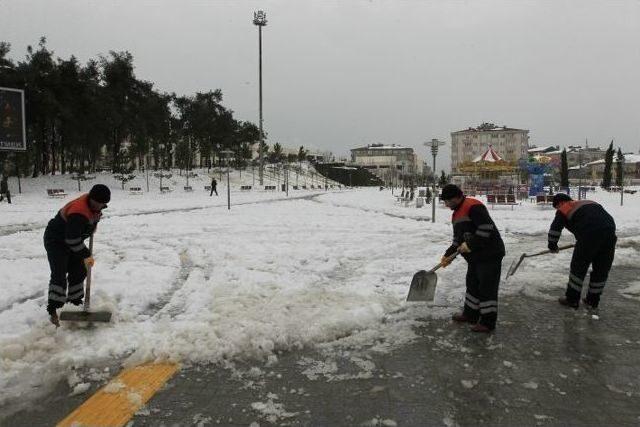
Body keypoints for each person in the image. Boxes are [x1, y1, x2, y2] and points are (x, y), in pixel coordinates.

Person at [440, 184, 505, 333]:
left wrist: (470, 244)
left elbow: (486, 228)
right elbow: (458, 239)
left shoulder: (473, 206)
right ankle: (470, 314)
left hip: (490, 254)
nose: (446, 204)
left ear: (456, 198)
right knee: (472, 284)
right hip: (475, 257)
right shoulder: (456, 213)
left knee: (486, 288)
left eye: (447, 201)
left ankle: (488, 322)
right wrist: (448, 255)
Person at [44, 184, 110, 326]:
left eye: (102, 204)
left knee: (79, 270)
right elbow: (72, 239)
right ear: (91, 199)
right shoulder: (79, 211)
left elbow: (79, 233)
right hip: (56, 240)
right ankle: (54, 309)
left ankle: (74, 302)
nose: (99, 206)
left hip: (72, 239)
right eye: (97, 203)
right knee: (59, 273)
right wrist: (86, 254)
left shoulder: (95, 208)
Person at [547, 193, 616, 310]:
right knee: (601, 269)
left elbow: (555, 228)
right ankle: (592, 301)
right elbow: (596, 219)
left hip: (589, 234)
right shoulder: (588, 202)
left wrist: (552, 245)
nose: (557, 210)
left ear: (560, 203)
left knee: (578, 268)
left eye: (556, 207)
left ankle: (572, 300)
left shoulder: (564, 207)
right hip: (609, 232)